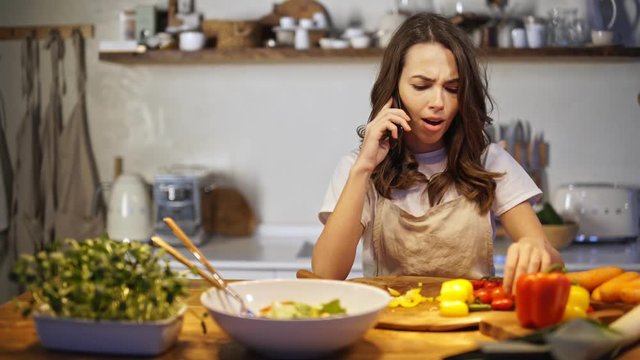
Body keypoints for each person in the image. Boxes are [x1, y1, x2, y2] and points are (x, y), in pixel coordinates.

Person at [311, 13, 563, 293]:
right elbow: (326, 275)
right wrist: (363, 168)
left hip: (468, 326)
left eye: (452, 89)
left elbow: (553, 264)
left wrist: (536, 249)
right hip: (388, 326)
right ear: (393, 89)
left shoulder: (489, 161)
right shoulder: (357, 167)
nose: (438, 102)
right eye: (421, 86)